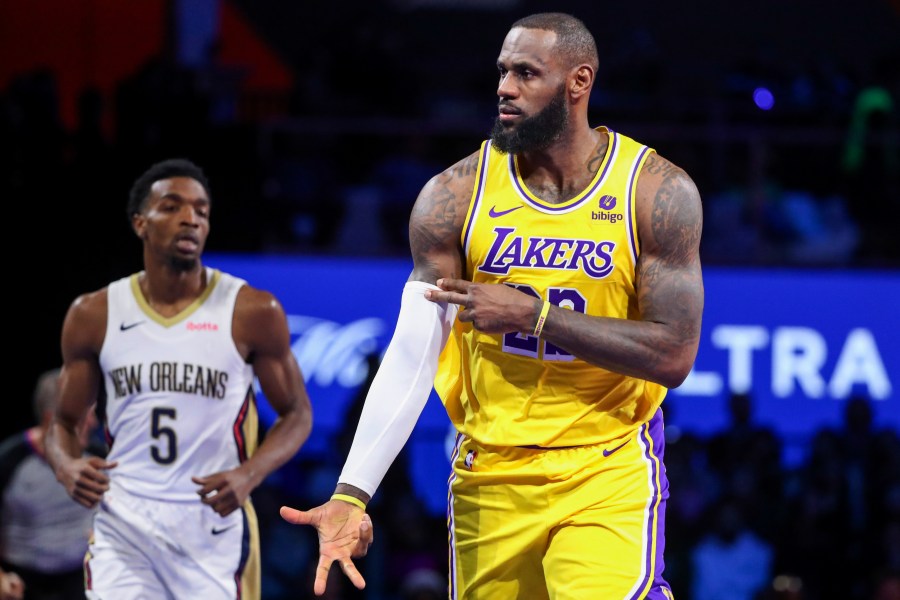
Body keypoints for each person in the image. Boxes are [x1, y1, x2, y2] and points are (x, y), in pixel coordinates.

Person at [281, 12, 703, 599]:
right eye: (503, 72)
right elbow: (411, 354)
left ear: (578, 82)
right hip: (490, 471)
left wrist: (535, 317)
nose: (505, 88)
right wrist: (352, 493)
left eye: (527, 74)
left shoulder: (655, 191)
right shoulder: (452, 196)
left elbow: (674, 353)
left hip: (605, 465)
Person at [44, 158, 352, 599]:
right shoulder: (94, 313)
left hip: (212, 524)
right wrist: (65, 465)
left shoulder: (251, 310)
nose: (191, 219)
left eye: (201, 210)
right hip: (125, 521)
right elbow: (64, 423)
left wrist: (249, 474)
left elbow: (298, 414)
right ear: (140, 224)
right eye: (172, 207)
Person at [0, 368, 100, 600]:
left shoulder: (99, 458)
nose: (93, 422)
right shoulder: (9, 462)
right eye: (85, 415)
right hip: (23, 581)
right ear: (52, 419)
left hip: (81, 577)